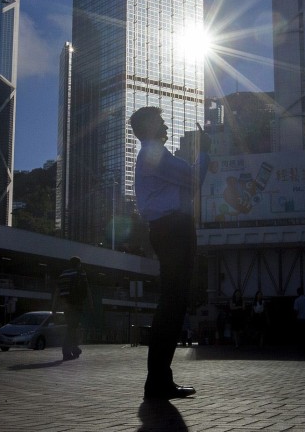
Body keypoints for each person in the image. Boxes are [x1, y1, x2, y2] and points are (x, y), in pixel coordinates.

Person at [130, 106, 209, 400]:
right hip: (174, 228)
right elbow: (192, 179)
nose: (166, 125)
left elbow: (185, 186)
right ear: (149, 127)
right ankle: (158, 380)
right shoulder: (154, 152)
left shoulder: (153, 155)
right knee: (173, 303)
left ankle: (160, 379)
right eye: (161, 121)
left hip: (169, 228)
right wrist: (205, 153)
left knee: (173, 302)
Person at [55, 255, 89, 361]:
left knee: (72, 327)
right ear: (78, 264)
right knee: (72, 328)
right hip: (76, 304)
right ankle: (67, 351)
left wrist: (54, 307)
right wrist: (90, 304)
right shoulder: (81, 273)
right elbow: (86, 289)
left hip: (65, 305)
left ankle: (74, 349)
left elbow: (57, 291)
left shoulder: (62, 275)